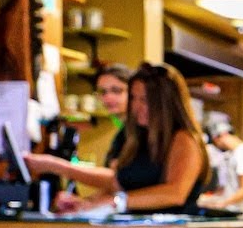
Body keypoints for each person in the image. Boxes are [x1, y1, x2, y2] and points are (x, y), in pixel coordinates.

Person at [51, 62, 208, 214]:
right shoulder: (136, 139)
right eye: (133, 98)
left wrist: (116, 201)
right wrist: (86, 204)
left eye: (145, 100)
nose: (136, 106)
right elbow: (119, 186)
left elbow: (175, 193)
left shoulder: (183, 138)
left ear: (165, 103)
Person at [23, 63, 131, 194]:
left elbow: (118, 180)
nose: (108, 97)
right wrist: (86, 203)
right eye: (103, 92)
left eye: (117, 90)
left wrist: (56, 166)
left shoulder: (136, 132)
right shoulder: (123, 129)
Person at [199, 119, 243, 216]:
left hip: (238, 214)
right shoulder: (232, 154)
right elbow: (230, 186)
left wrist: (222, 203)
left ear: (222, 135)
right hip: (229, 211)